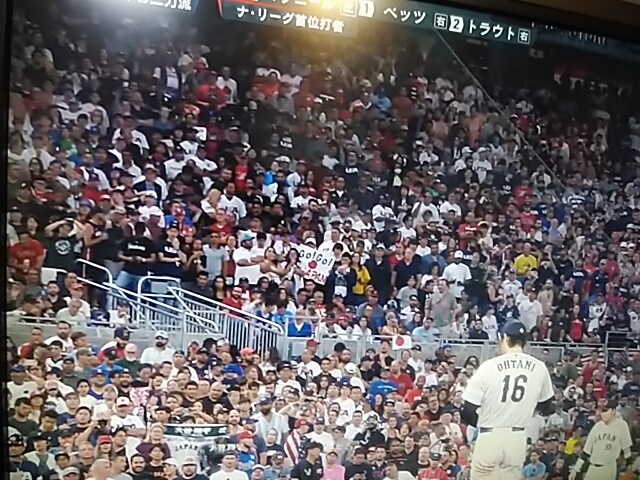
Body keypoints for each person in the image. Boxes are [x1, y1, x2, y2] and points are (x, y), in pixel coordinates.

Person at [460, 322, 555, 480]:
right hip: (517, 437)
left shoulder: (489, 366)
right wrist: (524, 412)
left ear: (504, 337)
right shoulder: (540, 367)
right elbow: (547, 405)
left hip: (490, 434)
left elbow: (468, 410)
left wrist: (482, 423)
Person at [569, 399, 633, 480]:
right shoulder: (597, 426)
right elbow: (586, 452)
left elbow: (626, 449)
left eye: (606, 411)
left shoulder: (622, 425)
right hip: (592, 467)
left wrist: (629, 464)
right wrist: (576, 469)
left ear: (613, 411)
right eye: (602, 411)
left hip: (608, 467)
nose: (603, 414)